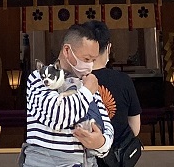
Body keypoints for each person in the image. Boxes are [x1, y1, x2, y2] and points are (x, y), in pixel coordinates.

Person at [22, 24, 114, 166]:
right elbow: (58, 117)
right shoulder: (40, 78)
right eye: (87, 58)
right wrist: (87, 91)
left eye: (93, 60)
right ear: (67, 50)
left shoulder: (86, 83)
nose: (90, 65)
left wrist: (100, 143)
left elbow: (106, 126)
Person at [82, 20, 142, 142]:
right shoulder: (124, 81)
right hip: (117, 157)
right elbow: (135, 129)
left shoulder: (73, 81)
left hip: (82, 157)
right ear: (109, 47)